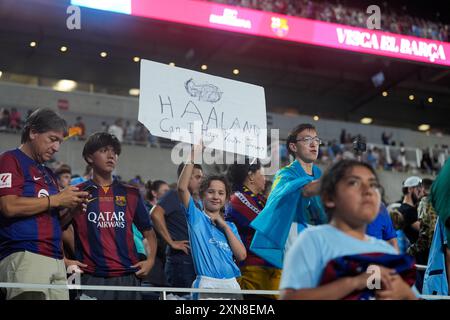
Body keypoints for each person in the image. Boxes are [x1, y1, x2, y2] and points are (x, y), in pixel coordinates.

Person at [280, 160, 417, 300]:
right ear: (329, 197)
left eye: (373, 185)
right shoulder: (313, 240)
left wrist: (406, 293)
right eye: (354, 183)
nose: (368, 190)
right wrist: (354, 282)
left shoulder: (385, 251)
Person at [0, 108, 88, 300]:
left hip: (56, 260)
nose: (56, 147)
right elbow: (8, 206)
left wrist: (71, 211)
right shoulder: (10, 159)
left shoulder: (49, 174)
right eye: (52, 139)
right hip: (25, 254)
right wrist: (57, 199)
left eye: (60, 142)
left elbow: (56, 221)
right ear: (33, 132)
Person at [62, 132, 157, 300]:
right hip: (90, 276)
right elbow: (56, 229)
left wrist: (150, 261)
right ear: (89, 157)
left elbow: (149, 232)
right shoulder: (76, 192)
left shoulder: (132, 193)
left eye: (114, 152)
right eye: (104, 150)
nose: (111, 155)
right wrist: (65, 260)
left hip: (129, 275)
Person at [250, 123, 327, 269]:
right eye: (306, 140)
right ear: (293, 147)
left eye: (316, 140)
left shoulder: (319, 173)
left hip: (317, 235)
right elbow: (303, 190)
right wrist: (334, 181)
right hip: (294, 233)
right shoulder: (284, 174)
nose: (313, 144)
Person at [178, 145, 246, 299]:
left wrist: (224, 226)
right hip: (207, 284)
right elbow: (182, 188)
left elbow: (241, 255)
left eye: (221, 193)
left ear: (226, 199)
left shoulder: (230, 227)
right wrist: (194, 153)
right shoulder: (196, 218)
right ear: (202, 195)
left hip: (232, 284)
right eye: (211, 192)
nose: (216, 196)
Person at [226, 159, 280, 299]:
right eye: (262, 174)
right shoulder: (237, 199)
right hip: (252, 271)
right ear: (250, 176)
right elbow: (268, 224)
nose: (265, 178)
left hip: (269, 270)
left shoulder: (258, 199)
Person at [150, 164, 203, 292]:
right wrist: (171, 242)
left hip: (191, 261)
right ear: (185, 177)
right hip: (180, 261)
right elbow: (155, 214)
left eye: (202, 177)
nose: (201, 181)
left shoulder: (193, 202)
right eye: (197, 177)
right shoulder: (174, 195)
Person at [398, 176, 425, 246]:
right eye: (418, 189)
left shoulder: (410, 209)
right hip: (414, 254)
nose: (422, 193)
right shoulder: (407, 211)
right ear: (410, 189)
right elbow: (424, 230)